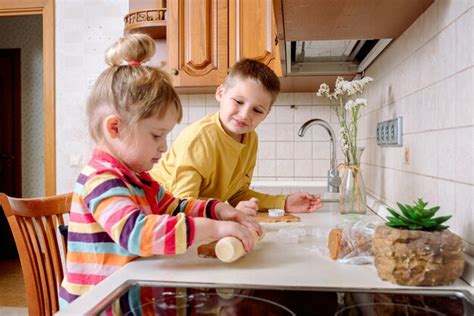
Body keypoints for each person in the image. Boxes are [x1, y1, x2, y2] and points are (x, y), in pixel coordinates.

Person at [59, 34, 262, 307]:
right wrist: (213, 228)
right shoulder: (101, 179)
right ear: (115, 128)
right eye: (156, 136)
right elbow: (136, 232)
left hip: (128, 298)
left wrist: (218, 210)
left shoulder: (139, 180)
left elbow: (175, 207)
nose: (164, 147)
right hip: (98, 305)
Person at [150, 58, 323, 214]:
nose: (245, 114)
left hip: (192, 215)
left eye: (257, 110)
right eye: (238, 102)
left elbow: (237, 194)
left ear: (266, 115)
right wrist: (224, 211)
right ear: (220, 93)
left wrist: (283, 203)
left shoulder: (250, 138)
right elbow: (183, 204)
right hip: (153, 209)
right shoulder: (200, 138)